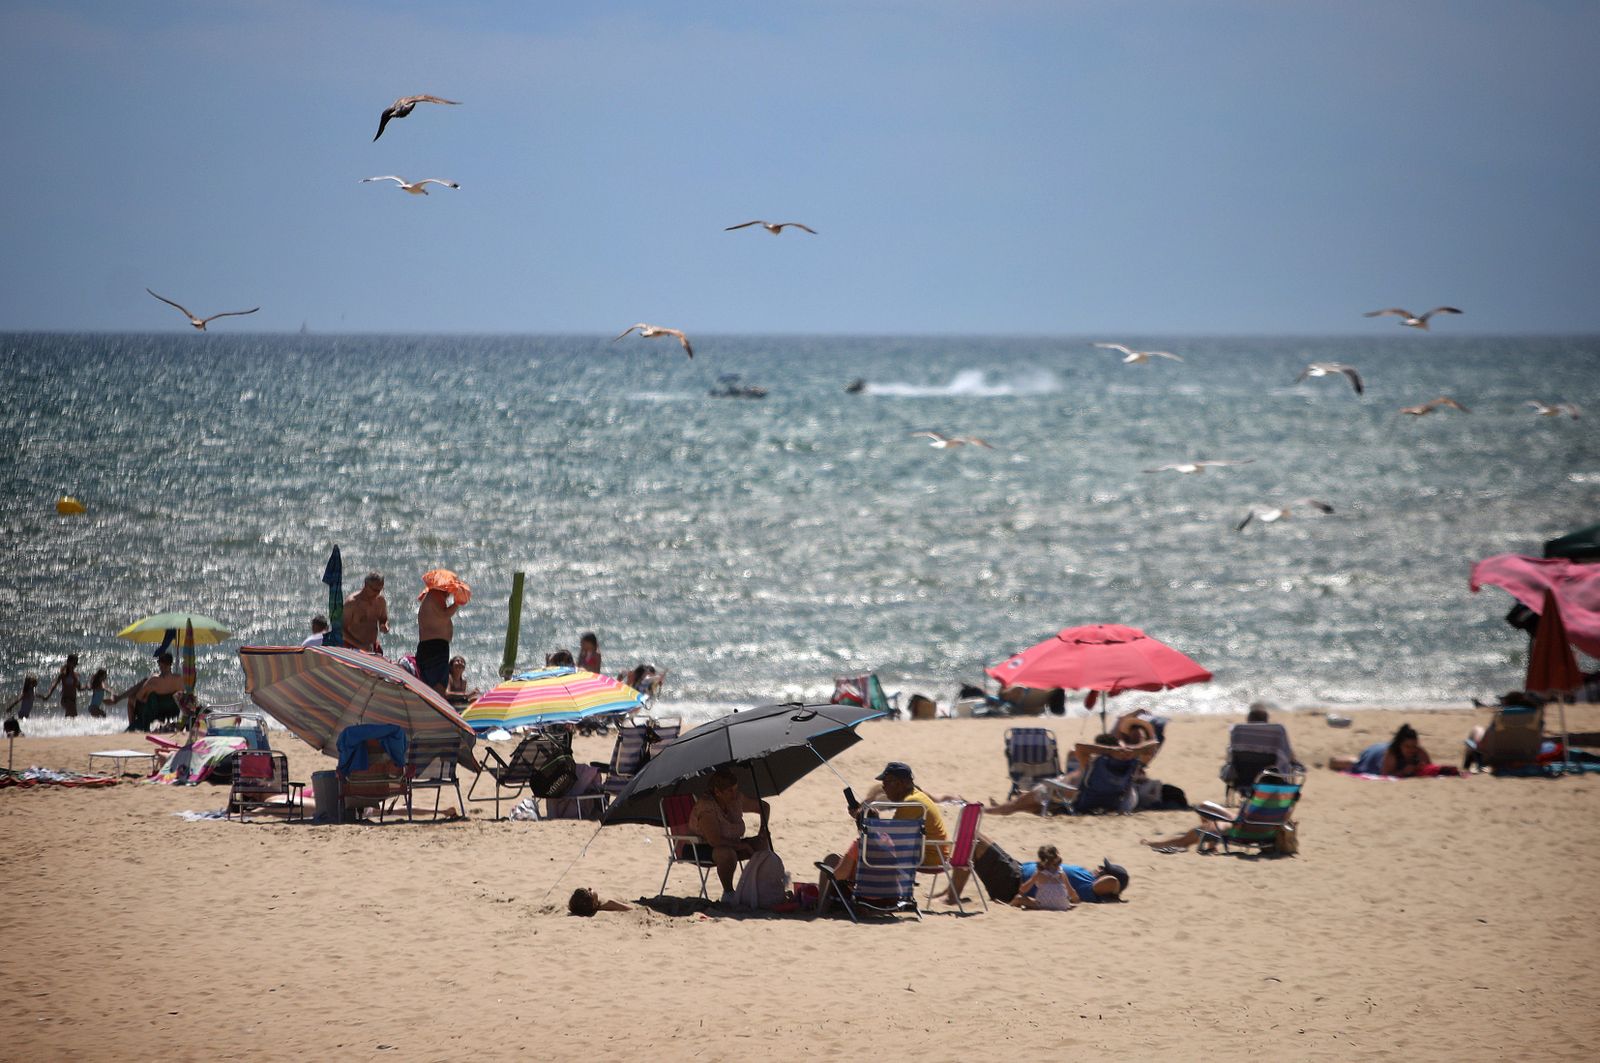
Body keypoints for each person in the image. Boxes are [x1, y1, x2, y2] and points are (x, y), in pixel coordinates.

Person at [816, 761, 962, 910]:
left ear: (902, 783)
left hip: (929, 856)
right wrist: (863, 818)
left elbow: (887, 845)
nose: (884, 787)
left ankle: (821, 907)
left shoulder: (912, 804)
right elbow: (891, 838)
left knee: (835, 860)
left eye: (887, 782)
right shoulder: (917, 797)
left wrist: (865, 822)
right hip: (932, 852)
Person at [984, 734, 1159, 815]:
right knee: (1029, 805)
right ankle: (1003, 807)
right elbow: (1154, 743)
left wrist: (1109, 750)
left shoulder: (1096, 763)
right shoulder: (1130, 764)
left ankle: (990, 810)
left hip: (1067, 793)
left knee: (1018, 804)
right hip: (1105, 800)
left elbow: (1079, 747)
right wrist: (1134, 750)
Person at [687, 769, 772, 903]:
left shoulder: (736, 799)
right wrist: (741, 845)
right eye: (729, 791)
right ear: (717, 792)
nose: (734, 794)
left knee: (761, 843)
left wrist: (763, 829)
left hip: (731, 842)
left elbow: (764, 807)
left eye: (736, 789)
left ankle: (761, 888)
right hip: (700, 847)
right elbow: (715, 840)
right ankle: (728, 892)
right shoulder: (706, 808)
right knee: (727, 854)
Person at [1329, 723, 1455, 777]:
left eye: (1414, 746)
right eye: (1407, 747)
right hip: (1375, 756)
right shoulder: (1392, 754)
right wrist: (1403, 772)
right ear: (1400, 745)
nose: (1411, 750)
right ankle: (1333, 761)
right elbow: (1385, 774)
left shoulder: (1419, 752)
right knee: (1356, 764)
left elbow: (1430, 768)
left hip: (1383, 750)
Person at [416, 579, 463, 695]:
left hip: (437, 646)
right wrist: (457, 603)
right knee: (437, 686)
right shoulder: (433, 595)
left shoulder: (435, 598)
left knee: (438, 685)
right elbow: (444, 615)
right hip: (434, 647)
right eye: (449, 589)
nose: (450, 593)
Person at [130, 653, 185, 732]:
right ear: (171, 664)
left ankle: (132, 727)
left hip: (155, 712)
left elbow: (139, 696)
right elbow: (182, 696)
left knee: (131, 700)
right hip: (173, 711)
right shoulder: (179, 679)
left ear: (159, 664)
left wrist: (146, 698)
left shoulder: (153, 680)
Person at [1012, 845, 1076, 910]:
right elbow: (1071, 892)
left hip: (1043, 905)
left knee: (1019, 898)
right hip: (1062, 906)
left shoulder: (1039, 873)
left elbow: (1023, 890)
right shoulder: (1061, 871)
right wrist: (1075, 900)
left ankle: (1009, 907)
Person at [343, 572, 390, 653]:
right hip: (353, 647)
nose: (377, 593)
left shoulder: (380, 601)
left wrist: (384, 625)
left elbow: (383, 618)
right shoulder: (351, 603)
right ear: (366, 585)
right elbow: (340, 630)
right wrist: (360, 645)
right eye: (375, 590)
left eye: (380, 590)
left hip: (372, 647)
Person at [44, 653, 83, 718]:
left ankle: (63, 727)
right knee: (72, 715)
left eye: (76, 663)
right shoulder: (63, 675)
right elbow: (55, 685)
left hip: (73, 700)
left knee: (72, 718)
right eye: (74, 663)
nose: (75, 665)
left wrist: (88, 687)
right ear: (68, 662)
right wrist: (48, 696)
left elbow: (79, 688)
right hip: (66, 699)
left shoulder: (76, 675)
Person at [568, 888, 632, 916]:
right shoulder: (609, 903)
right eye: (589, 891)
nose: (590, 888)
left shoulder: (595, 904)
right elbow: (630, 909)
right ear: (594, 904)